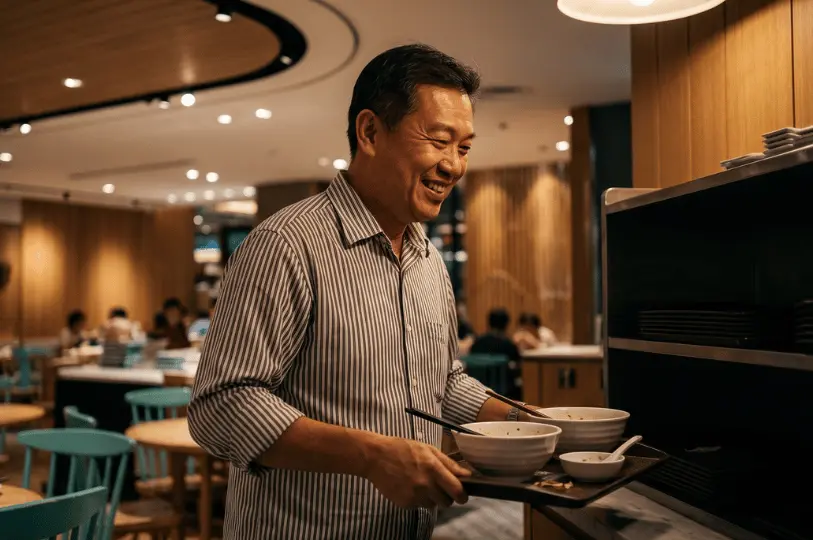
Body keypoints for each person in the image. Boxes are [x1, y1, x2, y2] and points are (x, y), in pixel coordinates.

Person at [188, 44, 541, 540]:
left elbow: (442, 382)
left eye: (463, 148)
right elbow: (220, 406)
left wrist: (534, 423)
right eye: (439, 141)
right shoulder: (286, 245)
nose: (454, 166)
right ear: (370, 132)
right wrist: (372, 456)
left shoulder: (428, 260)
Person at [469, 308, 523, 400]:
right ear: (506, 324)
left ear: (489, 322)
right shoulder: (508, 344)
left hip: (478, 390)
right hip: (505, 393)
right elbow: (518, 366)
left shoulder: (478, 342)